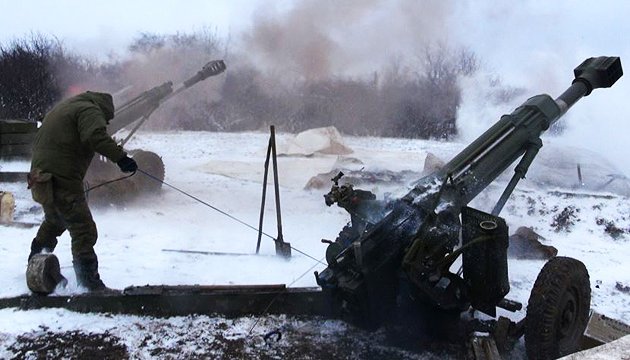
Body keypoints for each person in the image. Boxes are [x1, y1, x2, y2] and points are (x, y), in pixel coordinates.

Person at [27, 91, 137, 291]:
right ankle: (88, 283)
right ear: (104, 110)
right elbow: (95, 136)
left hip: (40, 176)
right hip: (62, 178)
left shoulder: (66, 106)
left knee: (55, 221)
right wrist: (121, 158)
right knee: (83, 229)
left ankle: (35, 263)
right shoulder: (90, 109)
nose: (105, 122)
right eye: (106, 119)